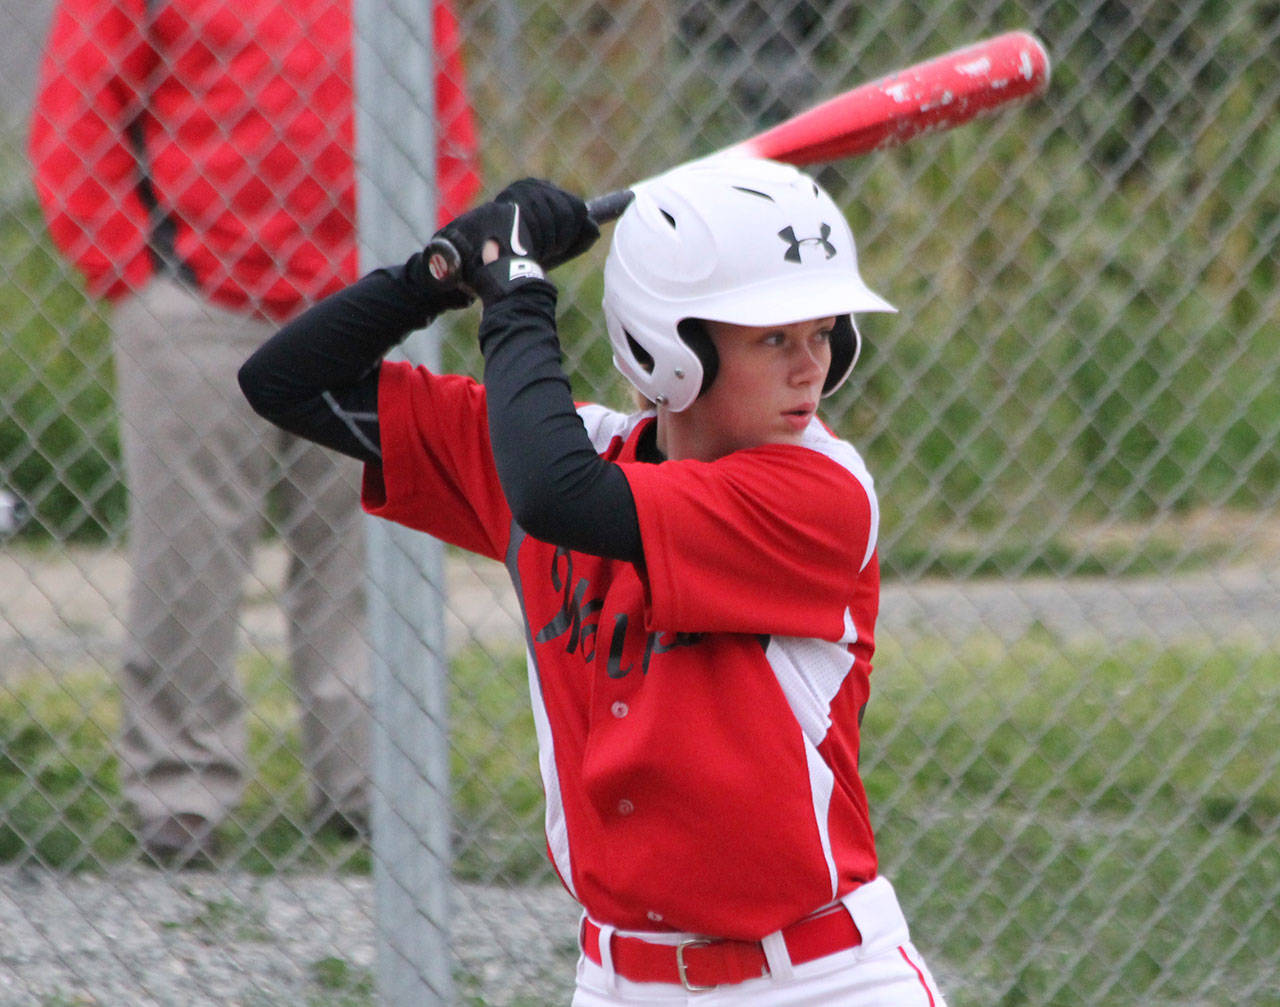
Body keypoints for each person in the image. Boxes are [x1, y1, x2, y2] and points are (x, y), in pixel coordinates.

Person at [240, 159, 949, 1004]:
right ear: (669, 345)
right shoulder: (565, 453)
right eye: (772, 339)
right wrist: (438, 275)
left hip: (819, 979)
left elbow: (556, 494)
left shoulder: (820, 493)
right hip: (619, 979)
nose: (811, 367)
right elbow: (282, 382)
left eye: (824, 333)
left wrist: (516, 295)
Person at [27, 0, 481, 866]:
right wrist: (131, 268)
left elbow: (444, 125)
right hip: (198, 304)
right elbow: (78, 110)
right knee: (189, 558)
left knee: (367, 550)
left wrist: (420, 273)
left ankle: (373, 784)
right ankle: (179, 791)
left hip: (359, 309)